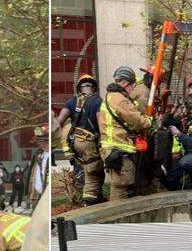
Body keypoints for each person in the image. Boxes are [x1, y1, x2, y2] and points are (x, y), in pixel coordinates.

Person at [99, 66, 153, 202]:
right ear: (123, 83)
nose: (133, 89)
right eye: (132, 85)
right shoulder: (120, 100)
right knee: (121, 186)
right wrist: (149, 120)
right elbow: (139, 122)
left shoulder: (109, 96)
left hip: (111, 148)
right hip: (119, 147)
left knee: (118, 185)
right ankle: (115, 214)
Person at [54, 73, 105, 205]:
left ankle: (89, 196)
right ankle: (89, 201)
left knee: (81, 169)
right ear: (93, 87)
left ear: (79, 88)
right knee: (94, 171)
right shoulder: (98, 101)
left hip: (73, 143)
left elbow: (59, 122)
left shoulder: (71, 101)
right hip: (89, 142)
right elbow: (101, 124)